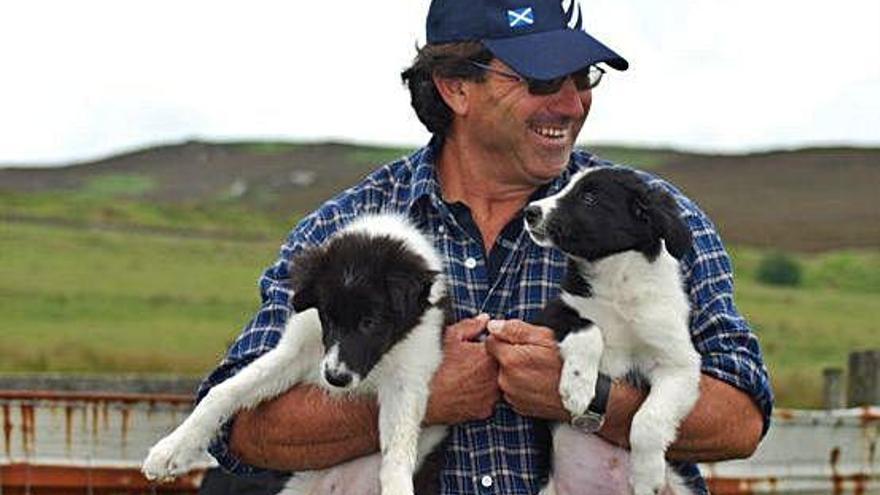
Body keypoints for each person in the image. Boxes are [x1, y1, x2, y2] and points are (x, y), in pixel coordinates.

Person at [196, 0, 774, 493]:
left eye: (583, 77)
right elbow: (243, 431)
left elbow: (743, 419)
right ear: (454, 88)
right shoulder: (347, 231)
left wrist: (591, 398)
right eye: (542, 81)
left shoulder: (646, 214)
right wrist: (417, 398)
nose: (571, 103)